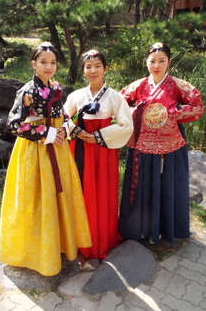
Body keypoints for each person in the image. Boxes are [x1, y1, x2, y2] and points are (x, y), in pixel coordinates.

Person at [0, 42, 92, 276]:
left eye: (52, 62)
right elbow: (15, 124)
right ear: (33, 64)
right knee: (35, 198)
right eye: (43, 62)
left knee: (58, 196)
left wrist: (65, 129)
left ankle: (58, 244)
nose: (48, 67)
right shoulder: (27, 92)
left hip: (58, 150)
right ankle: (32, 251)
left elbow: (62, 115)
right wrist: (48, 133)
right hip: (35, 151)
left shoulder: (56, 87)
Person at [118, 42, 204, 245]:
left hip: (169, 147)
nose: (156, 65)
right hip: (142, 145)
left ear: (169, 62)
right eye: (152, 61)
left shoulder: (176, 85)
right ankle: (139, 230)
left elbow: (197, 105)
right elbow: (119, 102)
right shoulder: (138, 85)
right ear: (146, 62)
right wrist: (134, 113)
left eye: (161, 61)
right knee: (141, 187)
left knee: (167, 187)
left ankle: (166, 229)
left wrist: (173, 114)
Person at [64, 49, 133, 265]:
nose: (93, 70)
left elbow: (126, 126)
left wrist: (98, 136)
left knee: (103, 191)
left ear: (105, 69)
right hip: (79, 149)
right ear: (83, 70)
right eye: (88, 66)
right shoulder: (76, 95)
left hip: (103, 151)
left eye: (97, 66)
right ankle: (78, 239)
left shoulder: (115, 97)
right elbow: (62, 116)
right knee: (80, 191)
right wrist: (76, 131)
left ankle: (101, 240)